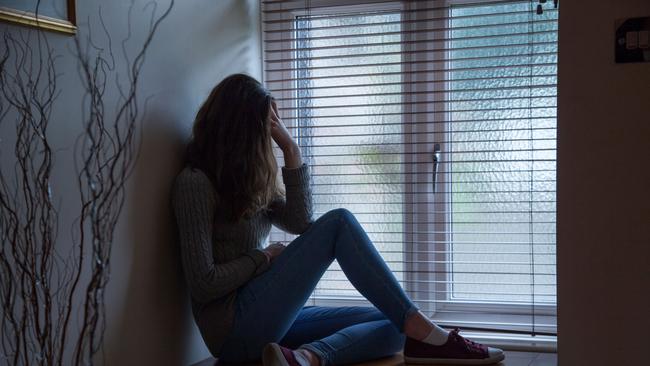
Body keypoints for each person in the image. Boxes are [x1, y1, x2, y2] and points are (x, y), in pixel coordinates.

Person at [171, 74, 505, 366]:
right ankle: (433, 337)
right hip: (233, 330)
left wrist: (291, 150)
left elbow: (301, 222)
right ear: (240, 131)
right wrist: (263, 257)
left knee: (394, 321)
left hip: (267, 316)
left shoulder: (248, 178)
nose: (267, 138)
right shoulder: (195, 182)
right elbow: (204, 282)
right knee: (339, 222)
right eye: (265, 128)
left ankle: (307, 358)